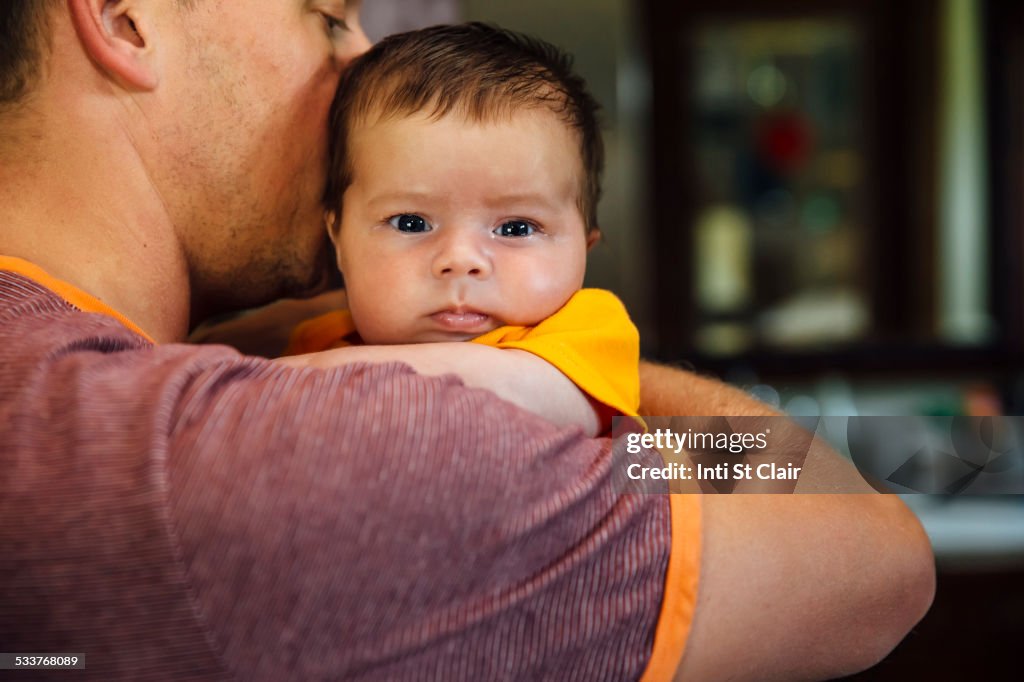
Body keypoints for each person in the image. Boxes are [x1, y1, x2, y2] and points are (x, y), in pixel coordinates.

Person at [0, 2, 934, 681]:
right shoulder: (358, 439)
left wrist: (570, 365)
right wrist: (579, 366)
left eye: (516, 228)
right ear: (125, 19)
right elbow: (877, 556)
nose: (365, 56)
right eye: (327, 18)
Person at [281, 23, 640, 434]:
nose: (461, 259)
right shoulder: (319, 341)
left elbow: (522, 393)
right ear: (339, 240)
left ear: (584, 251)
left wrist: (303, 376)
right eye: (411, 223)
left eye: (517, 228)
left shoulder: (587, 332)